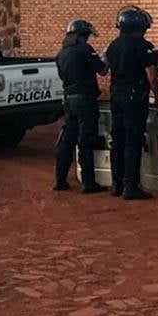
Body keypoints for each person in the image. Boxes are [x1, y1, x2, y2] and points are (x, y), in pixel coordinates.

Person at [105, 6, 158, 200]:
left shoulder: (113, 45)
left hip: (116, 95)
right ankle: (131, 186)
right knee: (133, 140)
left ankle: (116, 184)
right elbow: (152, 76)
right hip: (134, 97)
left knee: (117, 139)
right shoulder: (142, 45)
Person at [54, 19, 108, 193]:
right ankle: (88, 183)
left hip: (68, 99)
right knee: (86, 140)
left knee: (67, 140)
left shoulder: (62, 53)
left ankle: (60, 179)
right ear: (82, 35)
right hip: (85, 100)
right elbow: (102, 70)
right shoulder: (85, 49)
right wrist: (105, 57)